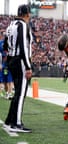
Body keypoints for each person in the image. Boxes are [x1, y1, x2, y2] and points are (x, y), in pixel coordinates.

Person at [3, 4, 33, 133]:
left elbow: (5, 45)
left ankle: (9, 120)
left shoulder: (10, 25)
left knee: (17, 93)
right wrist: (28, 66)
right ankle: (17, 123)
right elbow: (23, 47)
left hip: (11, 60)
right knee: (21, 94)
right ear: (27, 14)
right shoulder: (23, 25)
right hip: (20, 61)